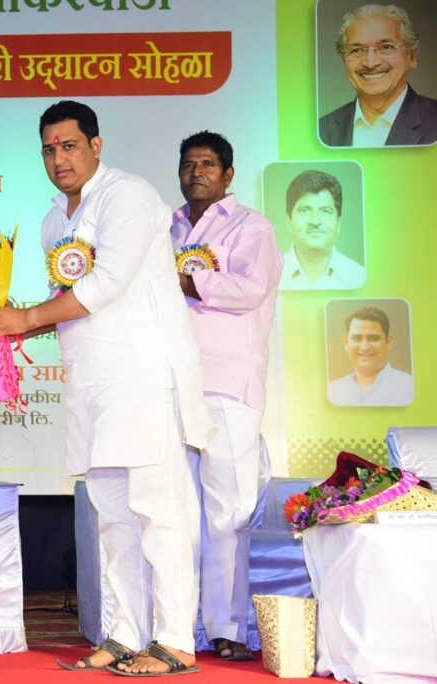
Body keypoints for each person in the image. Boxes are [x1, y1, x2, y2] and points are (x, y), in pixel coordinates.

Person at [0, 101, 214, 676]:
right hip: (92, 382)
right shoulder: (53, 220)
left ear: (96, 146)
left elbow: (106, 285)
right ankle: (127, 633)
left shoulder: (127, 196)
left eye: (69, 145)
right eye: (49, 149)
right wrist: (13, 323)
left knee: (159, 512)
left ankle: (176, 641)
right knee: (112, 518)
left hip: (144, 375)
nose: (59, 158)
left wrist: (26, 318)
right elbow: (70, 304)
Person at [170, 131, 282, 662]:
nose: (197, 172)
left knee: (227, 513)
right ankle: (173, 624)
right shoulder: (166, 228)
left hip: (227, 386)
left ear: (228, 174)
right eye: (189, 164)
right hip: (170, 385)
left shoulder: (251, 227)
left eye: (208, 164)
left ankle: (227, 626)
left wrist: (186, 281)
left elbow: (250, 289)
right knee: (174, 513)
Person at [319, 3, 437, 147]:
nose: (370, 63)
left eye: (386, 47)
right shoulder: (321, 129)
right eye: (357, 50)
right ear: (344, 59)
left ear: (412, 56)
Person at [279, 169, 365, 290]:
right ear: (289, 222)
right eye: (304, 210)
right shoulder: (269, 276)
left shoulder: (359, 276)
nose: (315, 221)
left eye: (326, 211)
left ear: (339, 222)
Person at [328, 306, 414, 406]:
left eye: (373, 338)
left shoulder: (410, 387)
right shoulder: (333, 390)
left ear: (388, 342)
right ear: (346, 342)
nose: (365, 347)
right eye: (357, 338)